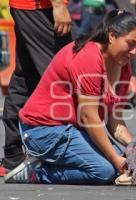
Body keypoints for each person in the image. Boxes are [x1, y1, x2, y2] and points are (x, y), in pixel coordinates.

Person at [3, 9, 136, 184]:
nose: (134, 52)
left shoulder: (124, 66)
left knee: (130, 163)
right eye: (130, 44)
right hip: (43, 130)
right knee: (104, 171)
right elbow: (89, 116)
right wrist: (116, 160)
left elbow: (114, 120)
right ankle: (37, 172)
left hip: (75, 129)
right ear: (111, 36)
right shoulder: (89, 56)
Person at [0, 0, 72, 176]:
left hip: (32, 7)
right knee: (60, 76)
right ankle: (73, 151)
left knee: (26, 76)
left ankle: (13, 155)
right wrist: (58, 5)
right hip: (39, 7)